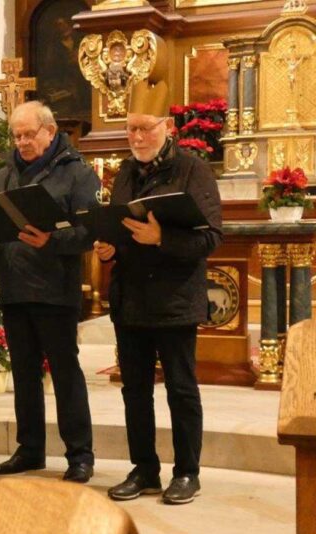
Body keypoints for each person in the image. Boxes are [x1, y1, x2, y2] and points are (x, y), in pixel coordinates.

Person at [93, 80, 222, 505]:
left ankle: (187, 472)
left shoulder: (192, 169)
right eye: (132, 129)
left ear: (167, 126)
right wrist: (111, 244)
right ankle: (144, 469)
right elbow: (122, 225)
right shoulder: (127, 172)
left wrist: (160, 238)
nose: (138, 137)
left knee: (181, 389)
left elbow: (210, 238)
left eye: (146, 128)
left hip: (175, 300)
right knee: (134, 390)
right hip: (131, 300)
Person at [0, 101, 98, 483]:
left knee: (66, 374)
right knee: (23, 372)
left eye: (28, 134)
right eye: (16, 135)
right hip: (15, 287)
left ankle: (80, 455)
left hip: (55, 288)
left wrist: (52, 239)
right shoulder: (5, 174)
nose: (21, 142)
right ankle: (31, 449)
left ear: (50, 132)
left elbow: (90, 231)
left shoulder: (77, 174)